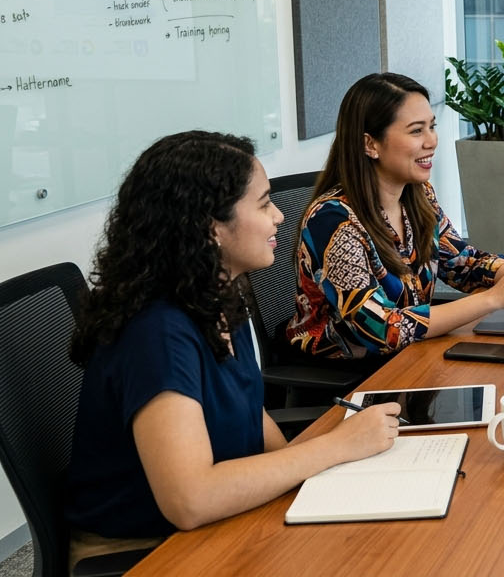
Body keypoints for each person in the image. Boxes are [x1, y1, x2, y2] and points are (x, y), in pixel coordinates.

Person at [65, 131, 403, 562]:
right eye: (263, 203)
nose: (280, 216)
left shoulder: (217, 294)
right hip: (146, 554)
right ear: (211, 229)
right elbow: (191, 499)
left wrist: (329, 469)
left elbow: (256, 427)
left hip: (222, 525)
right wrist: (336, 446)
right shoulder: (157, 332)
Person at [284, 73, 504, 363]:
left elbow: (461, 262)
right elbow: (379, 329)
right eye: (416, 130)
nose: (431, 140)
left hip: (412, 354)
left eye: (431, 126)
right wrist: (494, 299)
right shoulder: (332, 220)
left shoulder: (418, 195)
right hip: (350, 373)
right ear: (370, 144)